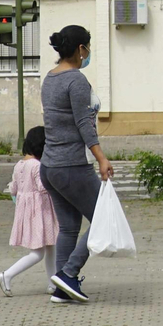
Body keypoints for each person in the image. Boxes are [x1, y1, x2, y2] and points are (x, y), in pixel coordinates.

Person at [41, 25, 114, 305]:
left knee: (70, 227)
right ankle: (69, 274)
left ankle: (61, 287)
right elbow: (83, 123)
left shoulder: (51, 77)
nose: (89, 52)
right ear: (81, 49)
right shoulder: (76, 80)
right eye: (89, 46)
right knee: (104, 218)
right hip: (72, 166)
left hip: (50, 166)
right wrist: (101, 158)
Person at [0, 125, 57, 296]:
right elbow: (42, 187)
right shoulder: (37, 166)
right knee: (38, 253)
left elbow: (13, 189)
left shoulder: (19, 165)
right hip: (40, 212)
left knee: (52, 246)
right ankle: (7, 275)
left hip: (28, 213)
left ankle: (53, 283)